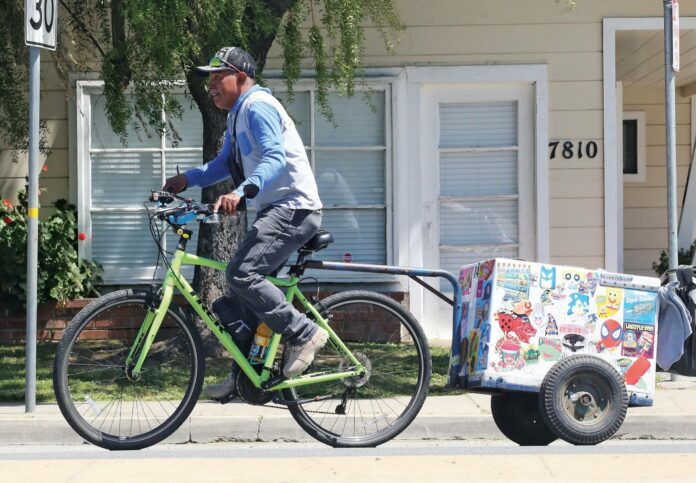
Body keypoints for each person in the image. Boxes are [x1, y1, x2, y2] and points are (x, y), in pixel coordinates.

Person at [162, 47, 328, 400]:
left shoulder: (258, 107)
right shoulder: (238, 114)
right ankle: (246, 377)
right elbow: (222, 164)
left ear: (240, 77)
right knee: (243, 291)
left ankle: (303, 332)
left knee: (241, 274)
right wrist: (186, 179)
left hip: (294, 208)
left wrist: (241, 193)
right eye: (208, 79)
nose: (210, 85)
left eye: (216, 77)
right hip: (278, 209)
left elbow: (274, 157)